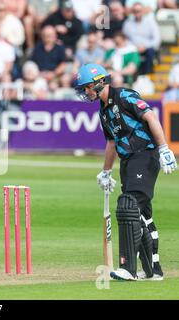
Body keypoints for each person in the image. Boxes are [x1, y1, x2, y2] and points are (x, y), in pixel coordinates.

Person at [74, 63, 177, 281]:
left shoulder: (125, 96)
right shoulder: (103, 112)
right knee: (142, 216)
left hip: (145, 154)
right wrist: (105, 171)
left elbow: (151, 117)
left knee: (127, 205)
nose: (85, 93)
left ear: (98, 83)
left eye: (86, 88)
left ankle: (128, 268)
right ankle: (153, 272)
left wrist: (164, 148)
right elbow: (112, 142)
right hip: (128, 162)